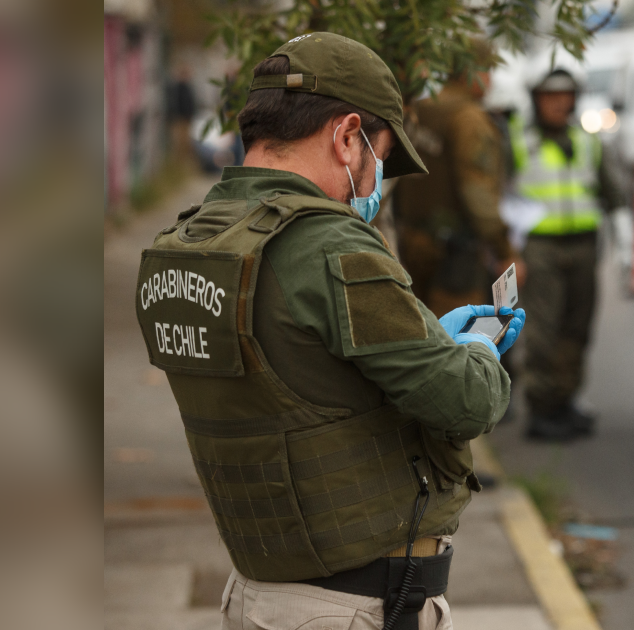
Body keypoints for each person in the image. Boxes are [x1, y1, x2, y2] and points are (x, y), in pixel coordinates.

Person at [133, 33, 524, 630]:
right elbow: (469, 401)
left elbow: (303, 372)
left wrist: (423, 341)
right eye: (381, 158)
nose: (375, 185)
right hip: (352, 606)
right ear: (347, 137)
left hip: (260, 592)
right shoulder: (329, 246)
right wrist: (471, 353)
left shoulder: (189, 243)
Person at [512, 69, 625, 441]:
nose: (561, 103)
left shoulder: (587, 141)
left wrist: (626, 239)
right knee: (543, 331)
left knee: (577, 328)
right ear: (536, 100)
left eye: (567, 96)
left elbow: (614, 192)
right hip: (540, 247)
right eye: (551, 96)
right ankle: (542, 407)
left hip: (583, 244)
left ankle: (565, 398)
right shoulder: (517, 140)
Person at [394, 39, 525, 317]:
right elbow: (477, 193)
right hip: (454, 254)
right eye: (487, 70)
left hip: (413, 243)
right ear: (471, 70)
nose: (490, 80)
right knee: (457, 340)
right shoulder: (469, 119)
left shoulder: (422, 110)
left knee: (419, 332)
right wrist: (504, 251)